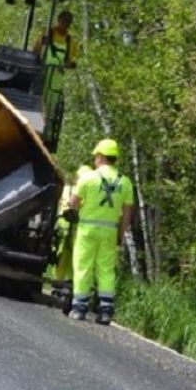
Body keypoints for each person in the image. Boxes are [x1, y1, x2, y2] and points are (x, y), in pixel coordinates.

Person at [68, 139, 135, 325]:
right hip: (110, 232)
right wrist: (120, 235)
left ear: (100, 156)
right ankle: (105, 310)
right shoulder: (125, 182)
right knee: (106, 270)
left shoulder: (88, 178)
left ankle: (79, 307)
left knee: (83, 267)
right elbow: (128, 213)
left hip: (87, 230)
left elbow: (73, 203)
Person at [49, 164, 94, 307]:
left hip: (71, 230)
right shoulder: (75, 191)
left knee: (70, 259)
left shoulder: (78, 191)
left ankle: (63, 285)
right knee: (67, 259)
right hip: (68, 230)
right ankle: (63, 285)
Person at [32, 10, 78, 115]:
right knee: (36, 102)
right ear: (59, 20)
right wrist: (38, 58)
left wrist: (70, 64)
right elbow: (36, 50)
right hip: (42, 75)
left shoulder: (70, 41)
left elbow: (71, 60)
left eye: (68, 22)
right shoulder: (48, 33)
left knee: (50, 109)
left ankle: (46, 127)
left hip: (55, 81)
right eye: (64, 21)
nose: (66, 24)